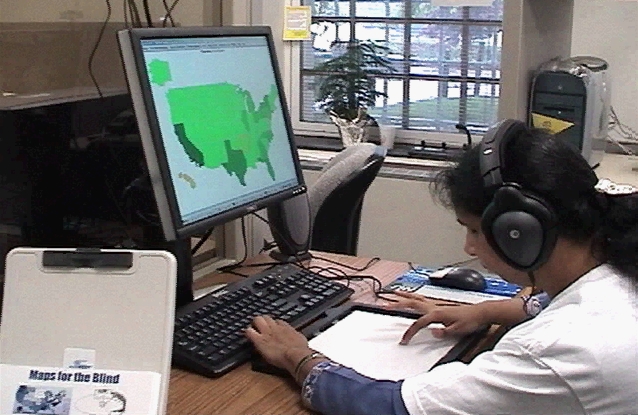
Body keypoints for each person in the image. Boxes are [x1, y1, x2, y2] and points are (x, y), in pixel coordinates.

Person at [245, 120, 638, 415]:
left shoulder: (552, 350)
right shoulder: (617, 263)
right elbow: (548, 304)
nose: (468, 246)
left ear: (520, 230)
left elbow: (388, 407)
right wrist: (485, 310)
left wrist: (297, 356)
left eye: (473, 230)